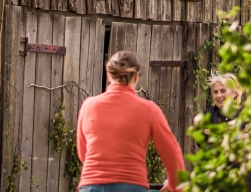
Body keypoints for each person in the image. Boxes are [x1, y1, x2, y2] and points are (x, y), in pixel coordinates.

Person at [77, 51, 185, 192]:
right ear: (136, 76)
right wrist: (175, 186)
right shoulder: (148, 110)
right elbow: (171, 152)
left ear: (109, 75)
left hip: (92, 185)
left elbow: (83, 152)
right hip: (131, 185)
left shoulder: (89, 105)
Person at [203, 71, 251, 192]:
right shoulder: (207, 116)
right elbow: (206, 145)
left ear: (235, 93)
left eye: (223, 91)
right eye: (215, 92)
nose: (219, 95)